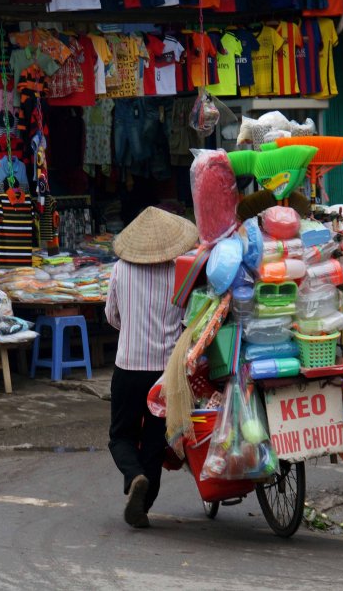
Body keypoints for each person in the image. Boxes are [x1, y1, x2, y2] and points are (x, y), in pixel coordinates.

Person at [104, 206, 198, 528]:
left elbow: (111, 316)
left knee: (121, 436)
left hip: (128, 365)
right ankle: (143, 505)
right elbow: (189, 320)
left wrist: (131, 328)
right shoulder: (181, 271)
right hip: (166, 373)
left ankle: (134, 477)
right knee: (156, 442)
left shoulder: (120, 269)